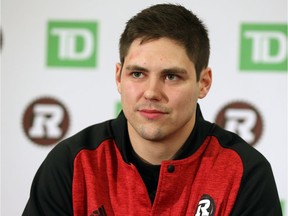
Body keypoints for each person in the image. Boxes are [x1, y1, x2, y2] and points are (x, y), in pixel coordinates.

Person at [23, 3, 282, 216]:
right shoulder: (72, 164)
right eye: (137, 74)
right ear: (118, 77)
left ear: (203, 83)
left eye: (171, 76)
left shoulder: (246, 172)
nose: (151, 92)